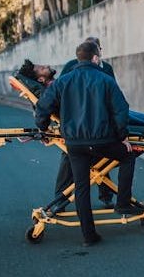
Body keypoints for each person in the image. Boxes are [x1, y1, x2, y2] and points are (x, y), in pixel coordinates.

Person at [35, 40, 143, 247]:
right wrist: (123, 136)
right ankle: (122, 203)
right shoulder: (105, 80)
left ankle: (89, 236)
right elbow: (122, 110)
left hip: (75, 144)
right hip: (103, 141)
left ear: (79, 58)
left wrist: (43, 128)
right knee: (128, 155)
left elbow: (43, 107)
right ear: (95, 58)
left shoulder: (63, 81)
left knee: (81, 187)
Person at [53, 37, 115, 210]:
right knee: (68, 161)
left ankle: (106, 196)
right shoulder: (71, 67)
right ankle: (60, 199)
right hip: (76, 123)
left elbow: (113, 95)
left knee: (102, 161)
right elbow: (58, 93)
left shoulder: (107, 69)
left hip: (97, 123)